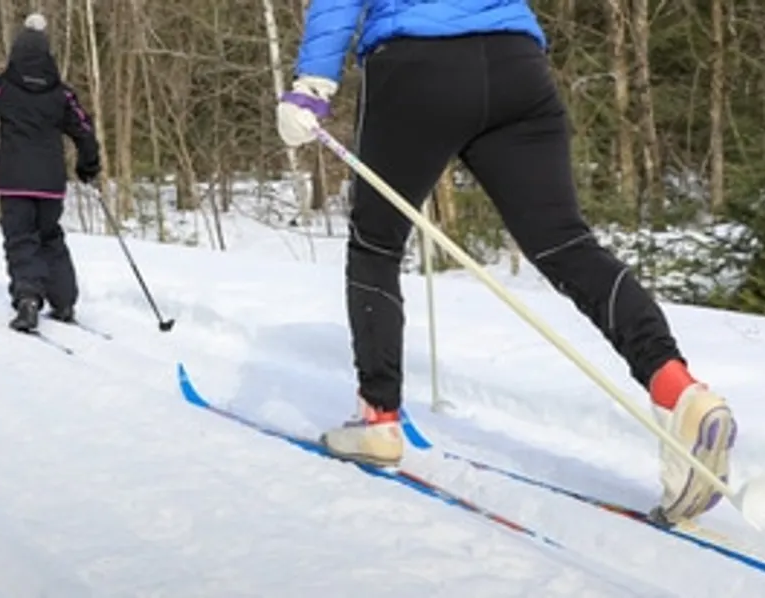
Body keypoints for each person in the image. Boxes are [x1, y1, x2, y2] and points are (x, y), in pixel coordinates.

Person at [273, 0, 738, 525]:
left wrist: (313, 82)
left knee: (375, 246)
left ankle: (378, 418)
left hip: (417, 66)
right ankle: (678, 390)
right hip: (516, 64)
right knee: (565, 241)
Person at [0, 13, 102, 333]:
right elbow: (83, 129)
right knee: (50, 237)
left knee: (21, 239)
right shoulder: (62, 93)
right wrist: (89, 165)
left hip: (14, 180)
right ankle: (64, 300)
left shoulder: (4, 86)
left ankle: (28, 298)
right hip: (50, 182)